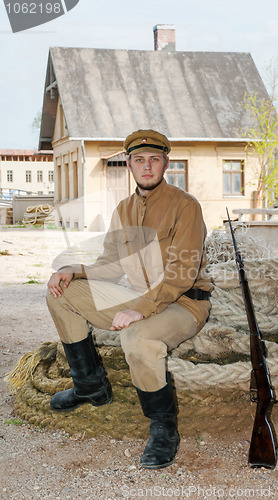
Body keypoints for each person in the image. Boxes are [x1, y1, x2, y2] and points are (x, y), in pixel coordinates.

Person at [46, 129, 212, 469]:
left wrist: (138, 309)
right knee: (63, 293)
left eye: (154, 159)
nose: (146, 166)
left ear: (166, 163)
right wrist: (72, 271)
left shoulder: (186, 206)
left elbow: (182, 273)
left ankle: (163, 426)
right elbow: (110, 265)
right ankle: (90, 386)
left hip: (184, 303)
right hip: (138, 299)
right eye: (139, 160)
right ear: (129, 165)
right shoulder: (122, 210)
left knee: (136, 337)